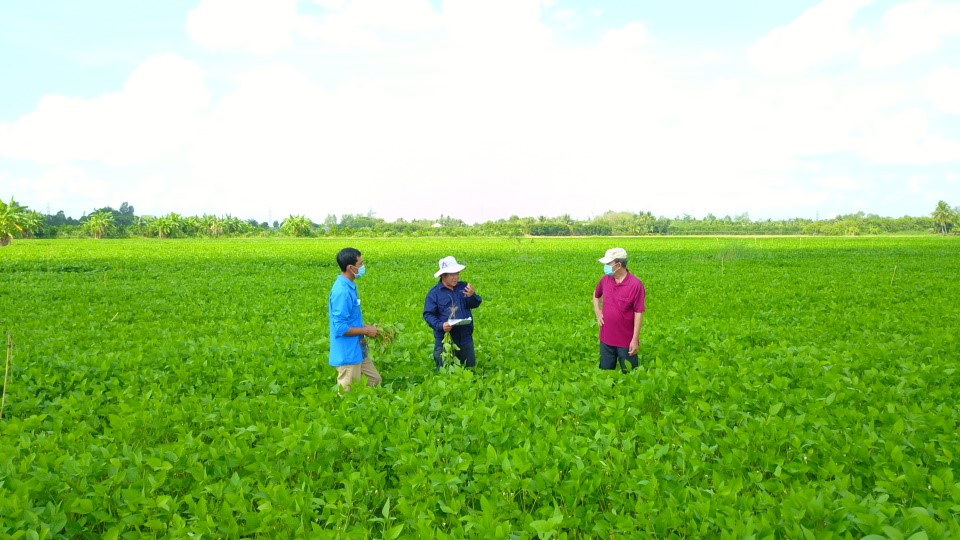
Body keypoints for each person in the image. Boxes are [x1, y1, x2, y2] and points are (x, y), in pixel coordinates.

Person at [328, 247, 382, 391]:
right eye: (360, 264)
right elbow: (340, 328)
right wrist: (365, 330)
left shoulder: (350, 286)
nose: (363, 267)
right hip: (348, 353)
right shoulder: (342, 291)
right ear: (350, 268)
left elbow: (350, 319)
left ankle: (368, 409)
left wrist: (366, 327)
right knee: (348, 396)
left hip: (358, 348)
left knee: (374, 380)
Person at [423, 256, 483, 368]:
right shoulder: (434, 293)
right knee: (445, 372)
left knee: (469, 370)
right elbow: (428, 314)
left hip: (465, 338)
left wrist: (472, 295)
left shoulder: (464, 287)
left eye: (457, 273)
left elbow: (475, 303)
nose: (456, 277)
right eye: (452, 274)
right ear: (443, 276)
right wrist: (441, 325)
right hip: (445, 340)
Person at [593, 247, 646, 372]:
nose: (605, 266)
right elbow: (596, 294)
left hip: (626, 340)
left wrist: (635, 339)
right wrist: (598, 311)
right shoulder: (605, 280)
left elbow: (639, 312)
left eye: (608, 263)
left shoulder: (636, 284)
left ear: (619, 264)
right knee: (605, 374)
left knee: (630, 375)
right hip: (606, 338)